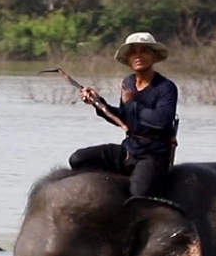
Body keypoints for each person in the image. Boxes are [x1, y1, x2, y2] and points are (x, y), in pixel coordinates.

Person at [68, 32, 179, 199]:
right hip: (128, 150)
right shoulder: (128, 82)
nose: (138, 56)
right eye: (133, 52)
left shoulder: (166, 87)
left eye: (144, 51)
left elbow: (161, 121)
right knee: (78, 159)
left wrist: (132, 104)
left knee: (138, 196)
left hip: (152, 154)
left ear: (154, 56)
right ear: (128, 59)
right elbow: (124, 119)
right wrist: (98, 102)